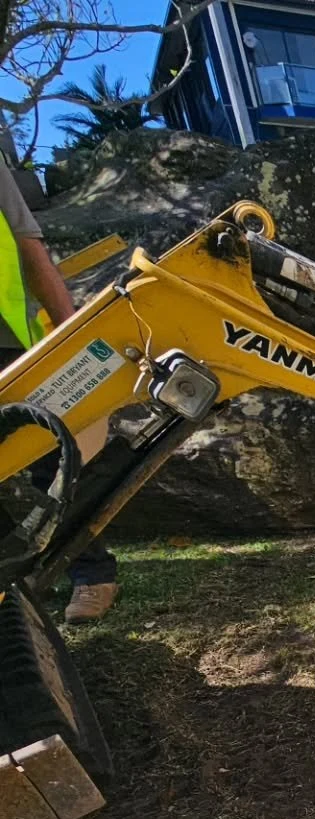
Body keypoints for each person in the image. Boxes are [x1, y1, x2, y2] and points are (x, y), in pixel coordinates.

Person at [0, 160, 118, 623]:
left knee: (52, 460)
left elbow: (27, 244)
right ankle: (14, 578)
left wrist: (70, 338)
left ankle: (92, 574)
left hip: (8, 342)